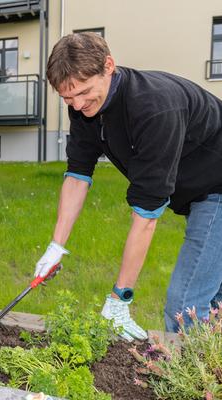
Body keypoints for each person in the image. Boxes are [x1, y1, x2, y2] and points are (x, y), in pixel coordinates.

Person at [35, 32, 222, 339]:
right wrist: (56, 246)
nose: (78, 105)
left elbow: (146, 215)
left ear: (108, 66)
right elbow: (78, 174)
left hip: (217, 188)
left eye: (83, 92)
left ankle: (194, 383)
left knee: (186, 306)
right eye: (67, 98)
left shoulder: (154, 108)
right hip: (201, 189)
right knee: (214, 302)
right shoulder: (83, 107)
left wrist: (120, 297)